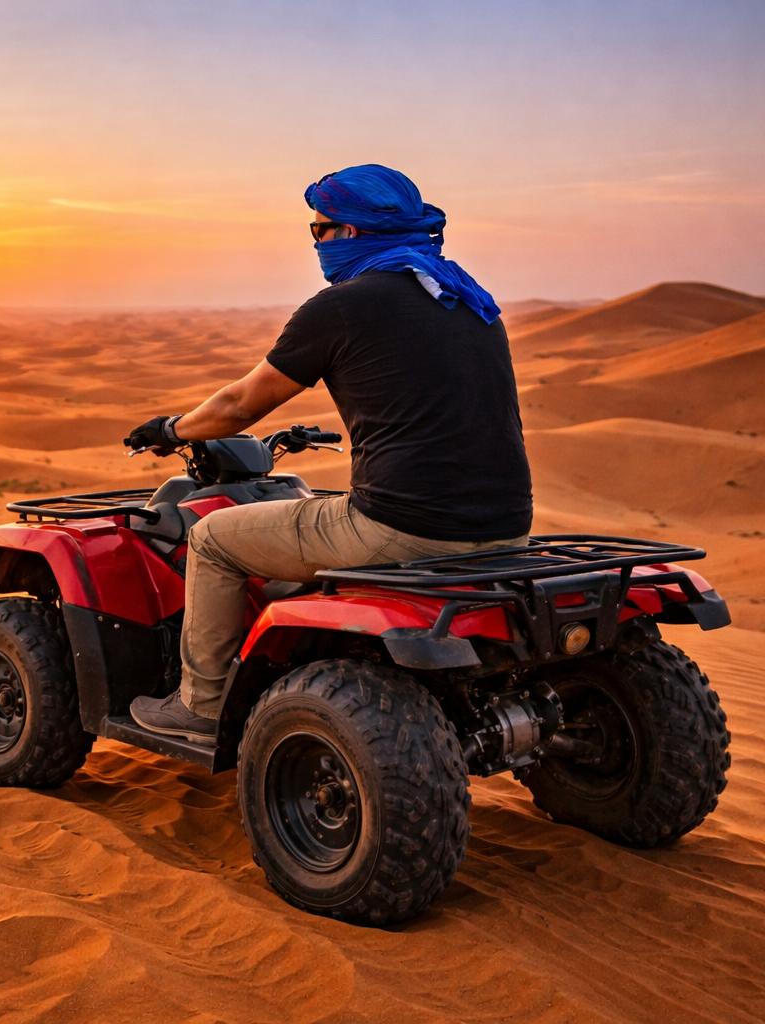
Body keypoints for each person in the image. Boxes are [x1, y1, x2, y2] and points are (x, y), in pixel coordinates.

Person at [125, 164, 533, 743]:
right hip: (508, 530)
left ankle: (202, 705)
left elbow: (240, 406)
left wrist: (172, 429)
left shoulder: (342, 306)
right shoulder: (467, 300)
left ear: (351, 232)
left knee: (212, 538)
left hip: (405, 529)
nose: (315, 243)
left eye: (320, 230)